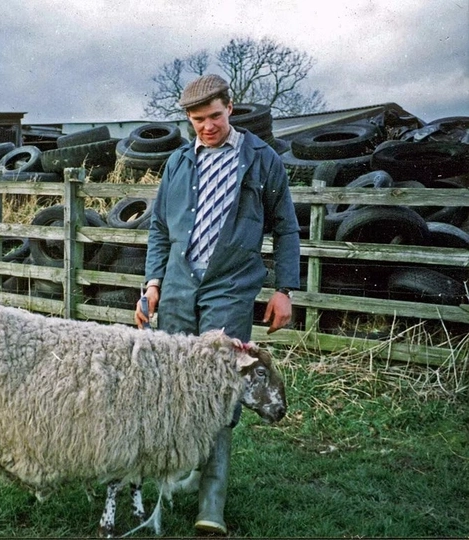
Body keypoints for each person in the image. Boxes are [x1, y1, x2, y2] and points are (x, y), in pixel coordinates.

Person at [134, 74, 300, 534]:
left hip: (230, 285)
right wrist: (152, 283)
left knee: (222, 387)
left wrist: (284, 289)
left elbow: (286, 227)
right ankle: (185, 469)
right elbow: (160, 229)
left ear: (231, 107)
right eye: (197, 120)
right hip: (179, 285)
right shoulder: (178, 162)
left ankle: (212, 503)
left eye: (214, 116)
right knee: (174, 383)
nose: (207, 127)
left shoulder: (262, 159)